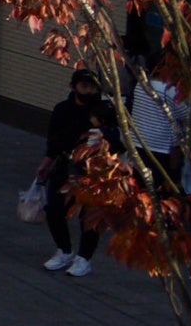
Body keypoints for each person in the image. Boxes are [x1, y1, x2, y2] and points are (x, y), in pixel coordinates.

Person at [37, 64, 126, 276]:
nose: (90, 92)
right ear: (73, 86)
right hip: (66, 164)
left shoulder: (104, 110)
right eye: (85, 86)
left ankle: (84, 258)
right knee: (54, 209)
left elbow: (119, 141)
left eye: (93, 88)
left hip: (94, 170)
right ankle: (64, 250)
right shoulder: (62, 109)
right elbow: (53, 140)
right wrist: (46, 163)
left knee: (89, 215)